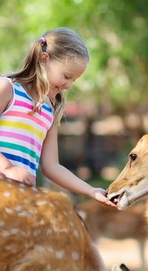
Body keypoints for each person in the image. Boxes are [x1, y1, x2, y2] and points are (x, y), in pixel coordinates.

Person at [0, 27, 116, 208]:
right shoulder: (7, 89)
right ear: (44, 60)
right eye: (67, 76)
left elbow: (51, 166)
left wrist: (91, 190)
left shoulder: (49, 111)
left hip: (19, 198)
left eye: (74, 80)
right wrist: (6, 168)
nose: (69, 85)